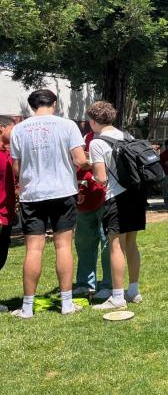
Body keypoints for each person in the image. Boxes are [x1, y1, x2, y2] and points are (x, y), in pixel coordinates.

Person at [9, 89, 88, 318]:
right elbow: (80, 160)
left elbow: (17, 167)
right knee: (63, 246)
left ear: (32, 105)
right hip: (63, 191)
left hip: (32, 193)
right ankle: (66, 303)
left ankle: (27, 307)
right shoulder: (67, 126)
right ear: (54, 103)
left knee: (33, 249)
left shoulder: (19, 130)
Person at [86, 101, 146, 310]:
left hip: (117, 197)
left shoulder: (96, 142)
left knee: (116, 245)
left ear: (93, 121)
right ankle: (134, 290)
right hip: (137, 195)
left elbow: (101, 178)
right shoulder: (127, 136)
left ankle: (118, 297)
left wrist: (90, 174)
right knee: (131, 243)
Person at [72, 130, 112, 300]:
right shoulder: (82, 137)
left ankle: (108, 284)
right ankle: (84, 284)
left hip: (104, 199)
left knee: (107, 243)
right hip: (83, 200)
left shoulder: (108, 137)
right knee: (83, 244)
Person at [0, 118, 18, 312]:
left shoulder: (9, 153)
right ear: (1, 128)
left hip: (7, 214)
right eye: (14, 128)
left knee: (1, 258)